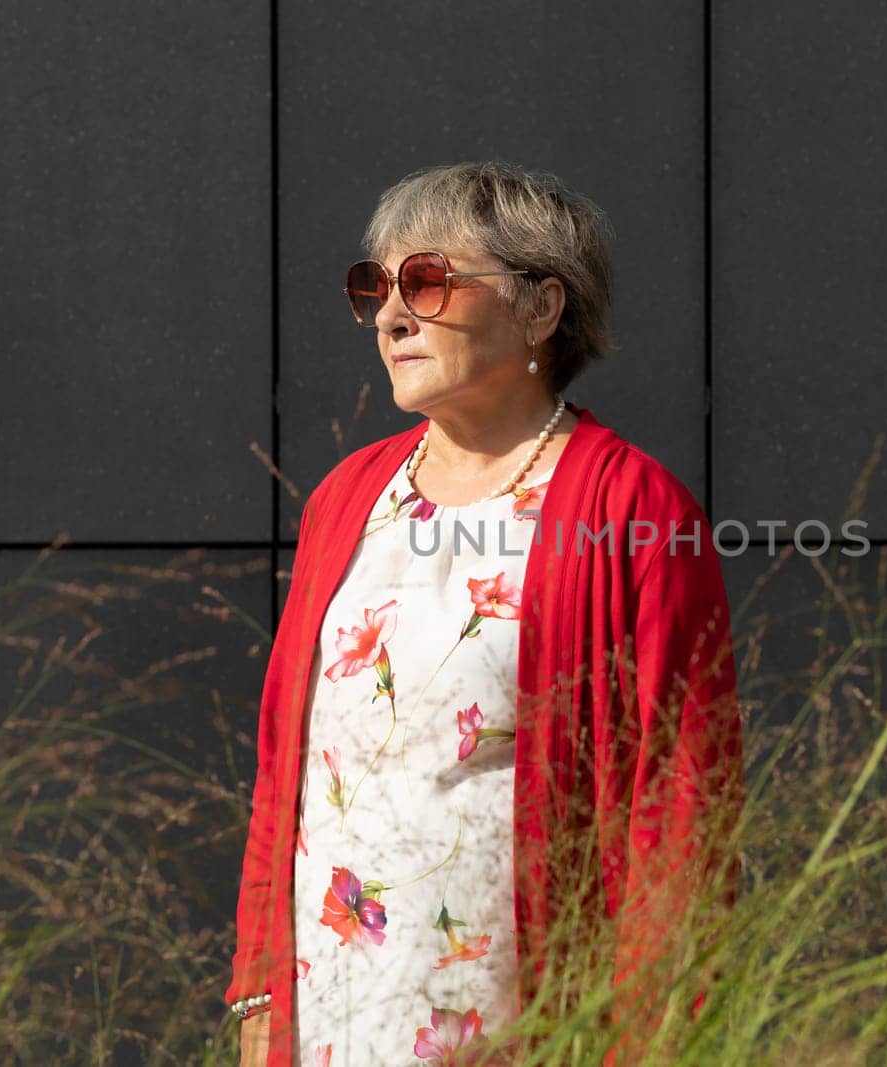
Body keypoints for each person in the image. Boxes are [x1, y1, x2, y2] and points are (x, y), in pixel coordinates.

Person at [228, 162, 743, 1066]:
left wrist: (658, 1029)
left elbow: (682, 803)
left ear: (542, 308)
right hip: (331, 1014)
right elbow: (286, 772)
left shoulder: (634, 511)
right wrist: (260, 992)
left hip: (521, 1022)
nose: (390, 316)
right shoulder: (347, 500)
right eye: (373, 288)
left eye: (425, 281)